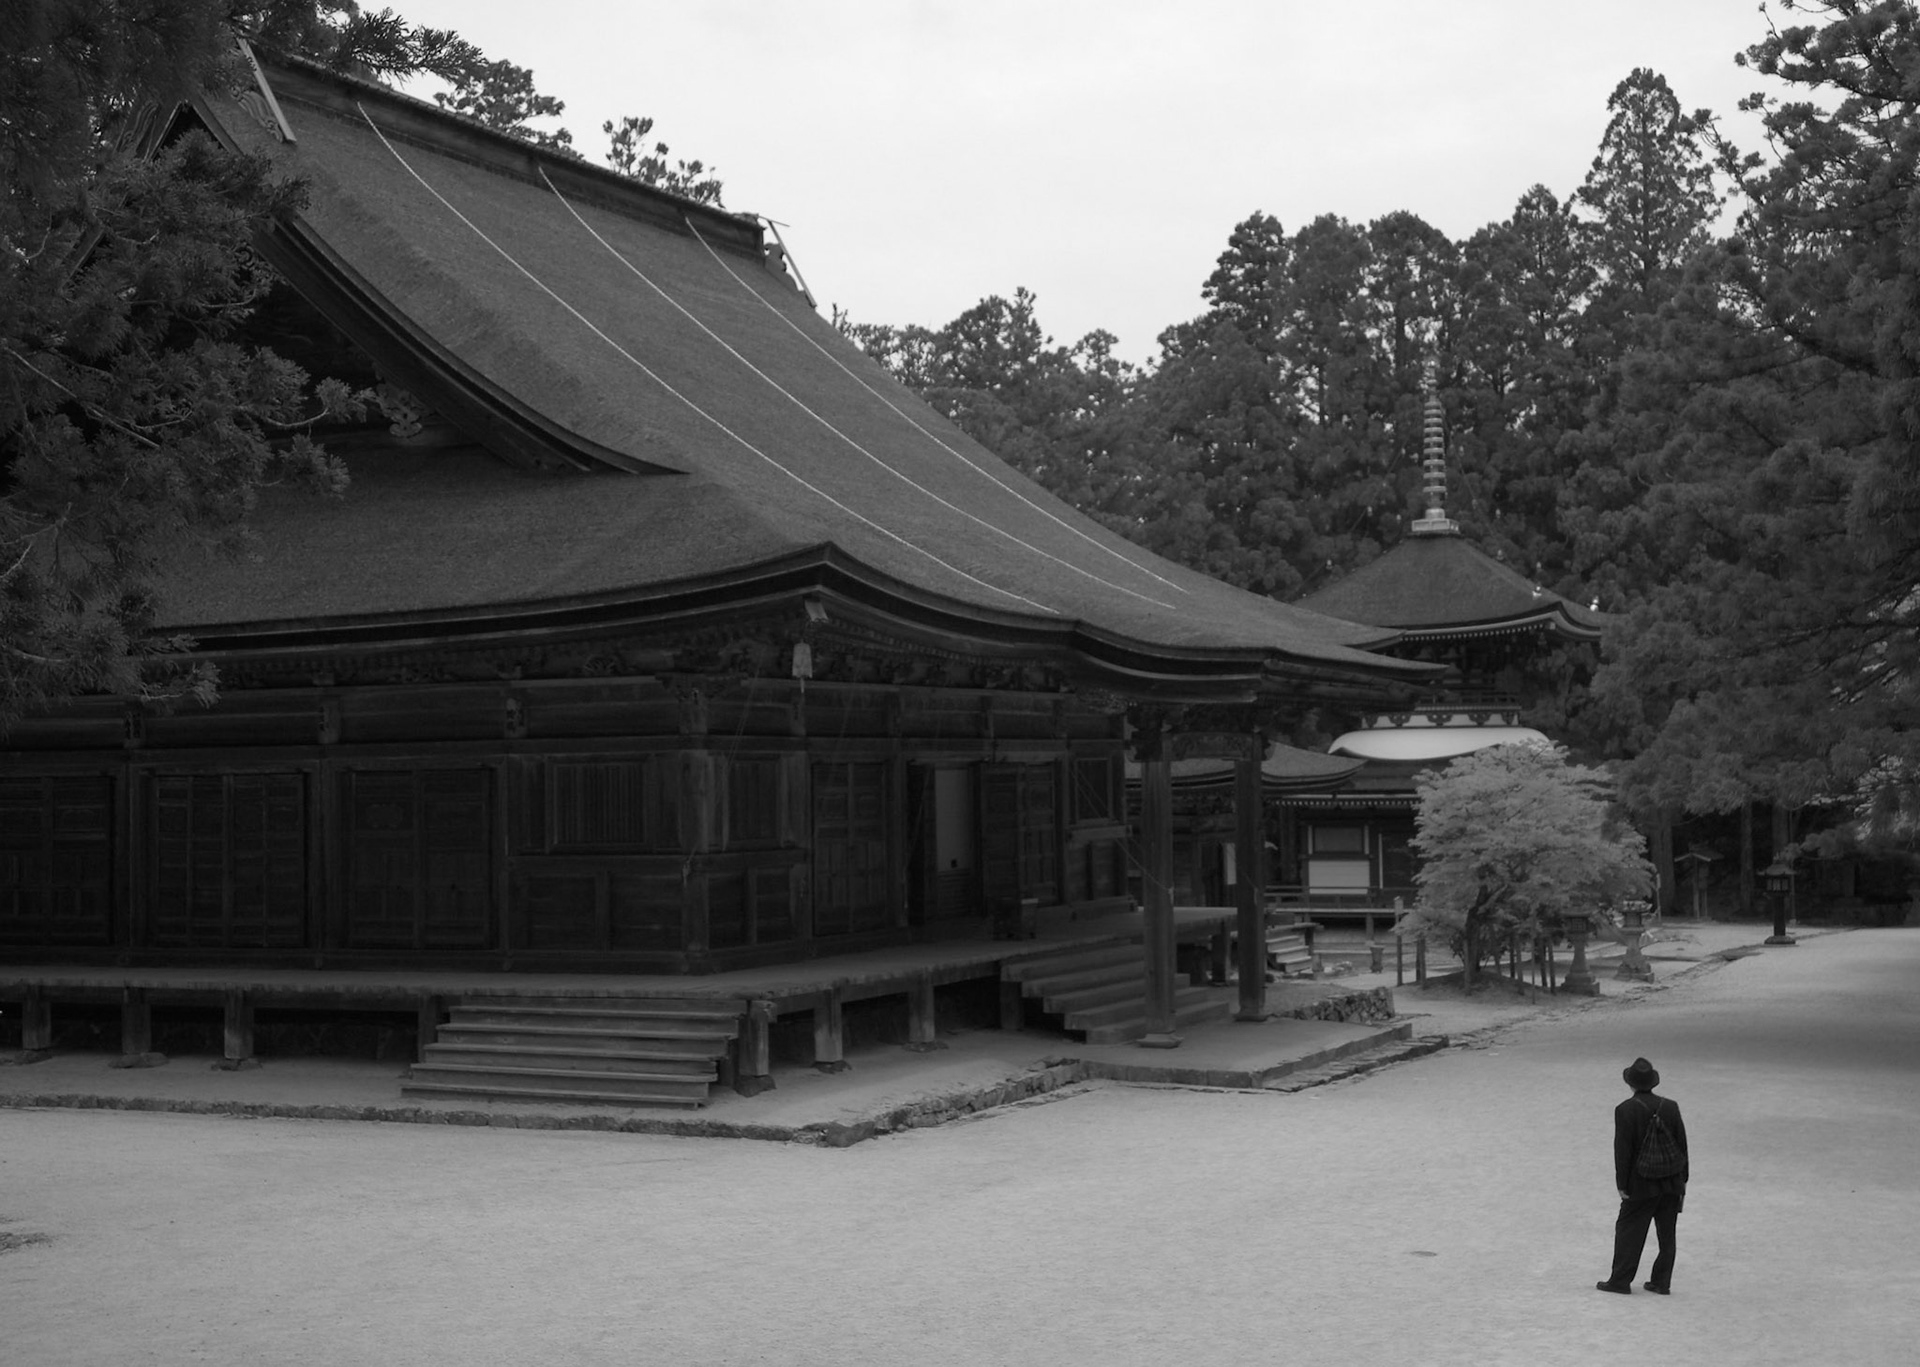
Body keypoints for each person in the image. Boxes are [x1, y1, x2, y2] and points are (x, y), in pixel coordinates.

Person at [1597, 1056, 1689, 1296]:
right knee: (1667, 1233)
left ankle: (1620, 1280)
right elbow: (1682, 1145)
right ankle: (1661, 1282)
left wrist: (1622, 1184)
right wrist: (1683, 1179)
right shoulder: (1670, 1106)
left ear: (1631, 1084)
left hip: (1641, 1183)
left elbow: (1623, 1151)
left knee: (1629, 1230)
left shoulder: (1625, 1110)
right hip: (1671, 1181)